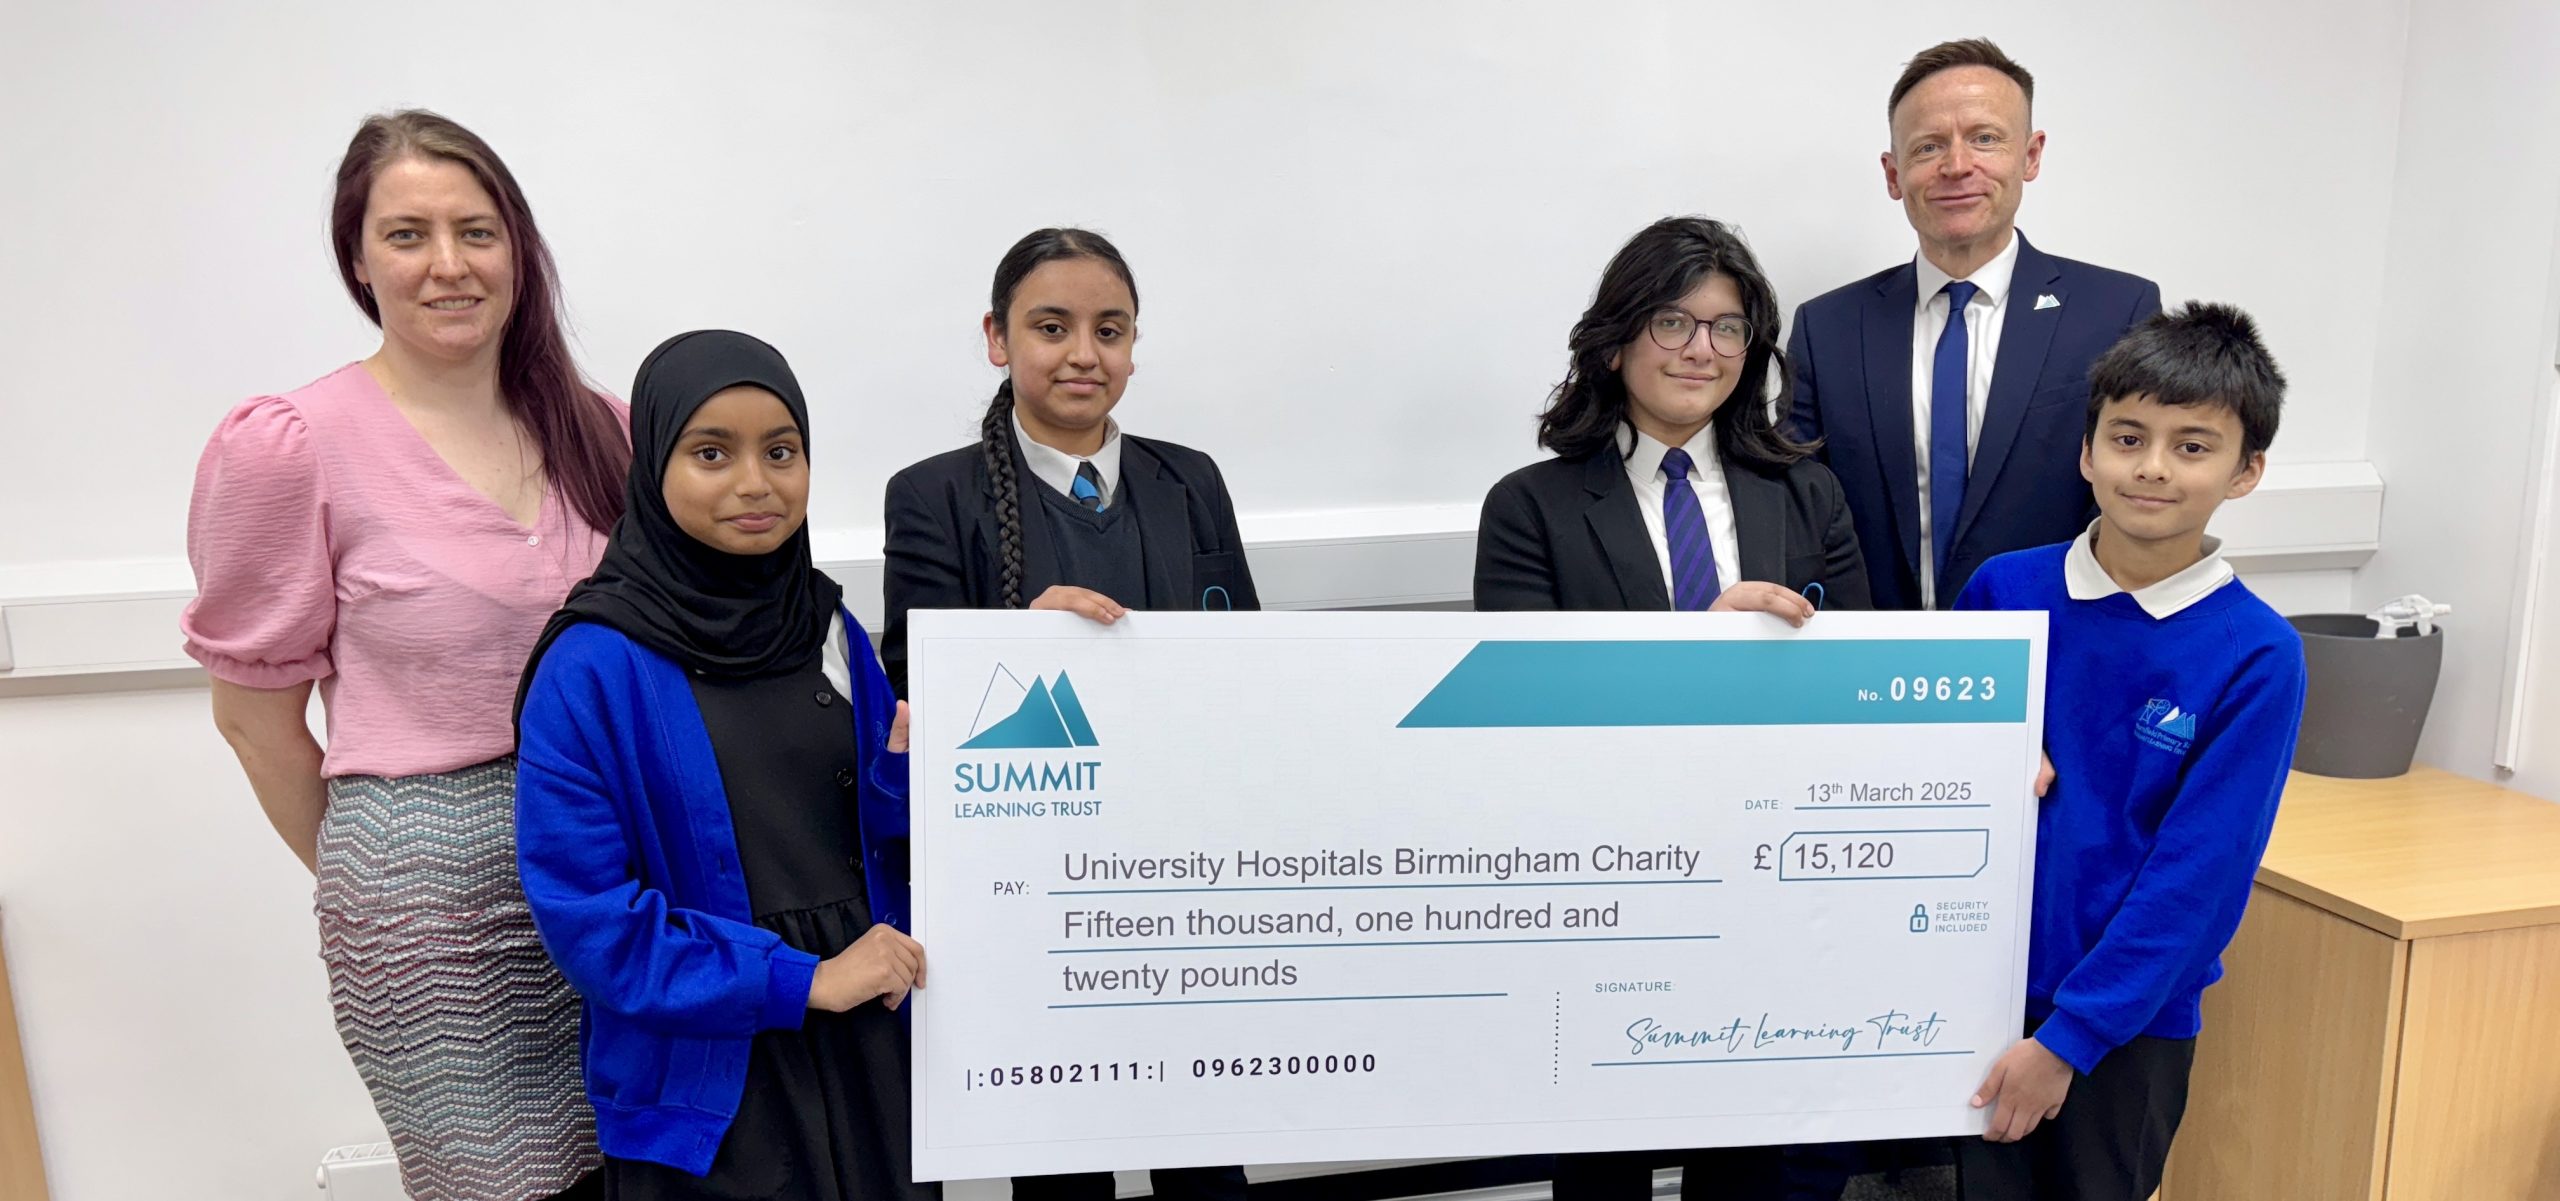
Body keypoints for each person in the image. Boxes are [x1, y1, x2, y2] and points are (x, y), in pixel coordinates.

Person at [180, 109, 626, 1201]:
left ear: (517, 248)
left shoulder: (606, 429)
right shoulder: (290, 445)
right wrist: (387, 883)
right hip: (432, 910)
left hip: (625, 879)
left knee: (650, 1175)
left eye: (476, 231)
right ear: (358, 260)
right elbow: (253, 721)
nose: (447, 265)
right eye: (407, 235)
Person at [1472, 215, 1868, 1200]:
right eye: (1673, 322)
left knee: (1749, 1155)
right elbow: (1527, 710)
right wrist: (1704, 645)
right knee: (1603, 1155)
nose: (1703, 349)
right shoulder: (1530, 507)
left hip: (1769, 874)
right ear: (1615, 342)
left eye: (1728, 327)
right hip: (1607, 876)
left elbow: (1859, 689)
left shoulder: (1808, 495)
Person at [514, 330, 933, 1200]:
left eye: (781, 451)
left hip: (873, 1044)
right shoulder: (591, 666)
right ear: (652, 467)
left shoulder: (829, 628)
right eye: (712, 452)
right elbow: (594, 924)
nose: (755, 482)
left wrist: (908, 784)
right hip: (710, 1084)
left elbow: (872, 844)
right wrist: (805, 980)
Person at [881, 227, 1252, 1201]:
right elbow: (913, 693)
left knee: (1206, 1148)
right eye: (1052, 327)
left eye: (1110, 330)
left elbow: (1246, 661)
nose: (1085, 353)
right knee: (1061, 1166)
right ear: (997, 338)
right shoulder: (932, 496)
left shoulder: (1191, 480)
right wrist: (1015, 643)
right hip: (1034, 893)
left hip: (1187, 876)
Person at [1953, 303, 2306, 1200]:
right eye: (2127, 437)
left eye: (2192, 446)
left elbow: (2198, 881)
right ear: (2087, 452)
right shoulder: (2004, 591)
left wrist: (2071, 1038)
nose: (2151, 466)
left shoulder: (2257, 653)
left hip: (2127, 1026)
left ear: (2246, 470)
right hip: (1976, 993)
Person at [1788, 38, 2162, 611]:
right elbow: (1800, 511)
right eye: (1928, 146)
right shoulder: (1827, 329)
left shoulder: (2118, 312)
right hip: (1874, 654)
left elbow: (2133, 500)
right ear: (1893, 174)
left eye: (1985, 138)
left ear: (2030, 156)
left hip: (2056, 644)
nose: (1957, 166)